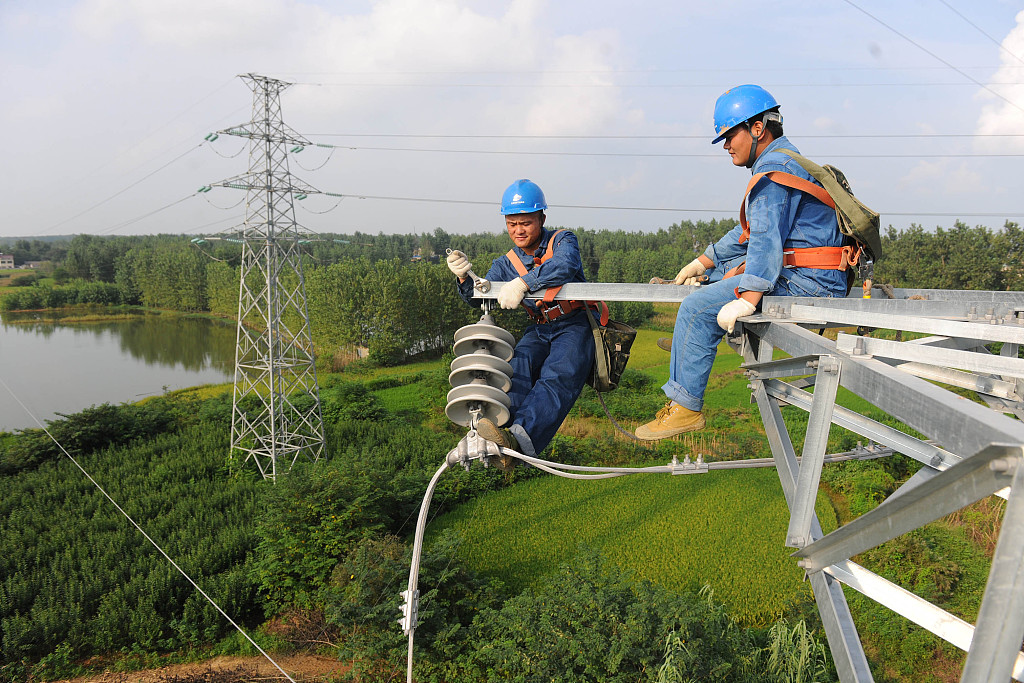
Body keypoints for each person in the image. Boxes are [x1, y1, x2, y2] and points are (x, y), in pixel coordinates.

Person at [636, 84, 849, 440]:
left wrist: (748, 299)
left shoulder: (772, 171)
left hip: (809, 280)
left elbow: (765, 238)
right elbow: (748, 230)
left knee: (696, 309)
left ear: (757, 128)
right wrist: (704, 261)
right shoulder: (787, 160)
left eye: (729, 135)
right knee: (717, 277)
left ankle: (685, 409)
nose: (726, 145)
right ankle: (689, 345)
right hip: (816, 272)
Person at [447, 179, 596, 458]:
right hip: (541, 327)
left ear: (541, 218)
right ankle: (502, 434)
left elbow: (564, 266)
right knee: (517, 368)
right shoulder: (506, 263)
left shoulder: (562, 240)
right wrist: (465, 278)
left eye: (525, 223)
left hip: (574, 323)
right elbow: (482, 296)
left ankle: (519, 441)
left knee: (558, 375)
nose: (518, 230)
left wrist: (524, 283)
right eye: (512, 224)